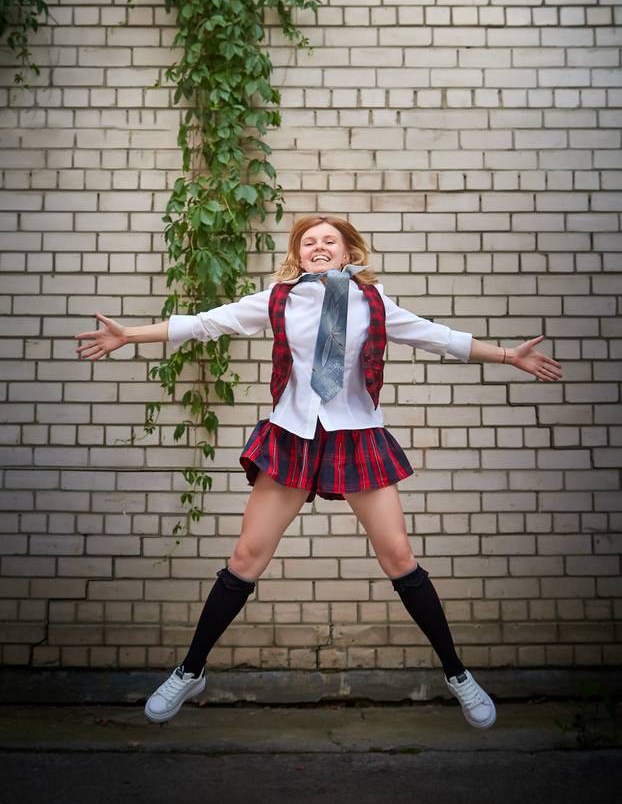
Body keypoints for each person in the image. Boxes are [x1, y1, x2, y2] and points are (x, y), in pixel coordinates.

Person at [75, 215, 563, 728]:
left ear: (349, 252)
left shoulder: (374, 302)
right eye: (308, 241)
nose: (319, 246)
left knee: (399, 556)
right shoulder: (279, 299)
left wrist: (509, 356)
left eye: (330, 240)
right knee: (245, 557)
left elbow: (438, 338)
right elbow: (205, 322)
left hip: (356, 435)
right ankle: (190, 670)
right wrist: (129, 335)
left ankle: (457, 674)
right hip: (293, 435)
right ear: (299, 254)